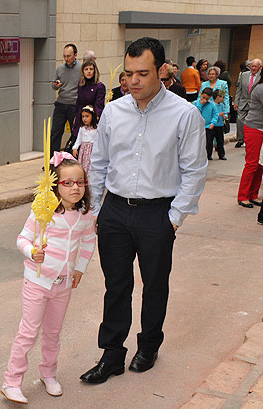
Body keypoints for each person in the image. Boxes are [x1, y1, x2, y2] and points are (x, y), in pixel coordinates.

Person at [80, 37, 206, 384]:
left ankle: (148, 346)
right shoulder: (114, 111)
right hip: (115, 211)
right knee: (116, 285)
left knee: (154, 284)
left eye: (143, 73)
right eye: (129, 73)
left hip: (157, 214)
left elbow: (194, 170)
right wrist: (95, 211)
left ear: (162, 71)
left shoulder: (185, 114)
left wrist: (174, 219)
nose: (133, 81)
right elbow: (101, 163)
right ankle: (112, 355)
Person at [1, 153, 96, 404]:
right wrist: (32, 252)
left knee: (53, 332)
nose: (75, 187)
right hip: (37, 281)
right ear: (56, 185)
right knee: (29, 332)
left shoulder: (85, 215)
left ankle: (49, 374)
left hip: (64, 285)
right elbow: (22, 238)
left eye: (80, 182)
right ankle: (11, 381)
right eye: (68, 183)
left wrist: (80, 269)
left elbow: (88, 241)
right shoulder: (45, 212)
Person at [237, 76, 263, 208]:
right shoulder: (260, 88)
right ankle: (243, 196)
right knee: (252, 163)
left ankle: (253, 195)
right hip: (254, 128)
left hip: (260, 128)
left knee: (260, 165)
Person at [50, 44, 80, 155]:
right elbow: (53, 86)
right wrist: (56, 85)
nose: (66, 59)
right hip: (60, 105)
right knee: (55, 133)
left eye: (69, 56)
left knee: (76, 133)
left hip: (74, 106)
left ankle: (74, 159)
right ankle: (52, 161)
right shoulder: (60, 69)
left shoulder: (81, 69)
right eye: (64, 56)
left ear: (75, 55)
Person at [72, 60, 105, 139]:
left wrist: (94, 119)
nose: (88, 71)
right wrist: (76, 117)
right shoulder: (81, 85)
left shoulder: (99, 86)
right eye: (86, 69)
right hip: (81, 117)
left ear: (95, 71)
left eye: (91, 69)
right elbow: (79, 102)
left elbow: (99, 105)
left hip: (93, 119)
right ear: (83, 71)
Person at [234, 59, 262, 148]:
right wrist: (236, 102)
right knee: (240, 120)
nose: (253, 68)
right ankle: (240, 139)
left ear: (260, 67)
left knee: (251, 123)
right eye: (252, 66)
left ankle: (249, 139)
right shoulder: (243, 75)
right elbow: (239, 89)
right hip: (243, 101)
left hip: (255, 103)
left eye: (255, 66)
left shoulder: (261, 77)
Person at [193, 87, 219, 160]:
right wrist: (200, 104)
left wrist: (213, 123)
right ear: (201, 94)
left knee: (209, 142)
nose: (205, 100)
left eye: (207, 99)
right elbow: (196, 113)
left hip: (208, 126)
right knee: (198, 142)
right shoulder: (195, 103)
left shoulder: (212, 105)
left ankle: (208, 156)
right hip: (198, 127)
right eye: (204, 97)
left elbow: (215, 114)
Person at [72, 105, 98, 175]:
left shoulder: (97, 128)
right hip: (84, 151)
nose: (84, 119)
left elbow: (99, 141)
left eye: (87, 116)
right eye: (83, 116)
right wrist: (75, 148)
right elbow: (79, 139)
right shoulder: (82, 128)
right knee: (83, 167)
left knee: (91, 167)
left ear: (92, 116)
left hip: (92, 151)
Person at [211, 89, 228, 160]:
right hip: (213, 125)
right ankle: (208, 154)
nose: (223, 99)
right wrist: (218, 115)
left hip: (220, 125)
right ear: (218, 97)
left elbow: (225, 113)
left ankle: (221, 154)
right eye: (222, 97)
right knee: (209, 141)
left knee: (220, 141)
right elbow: (211, 114)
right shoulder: (211, 105)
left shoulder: (222, 105)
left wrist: (225, 116)